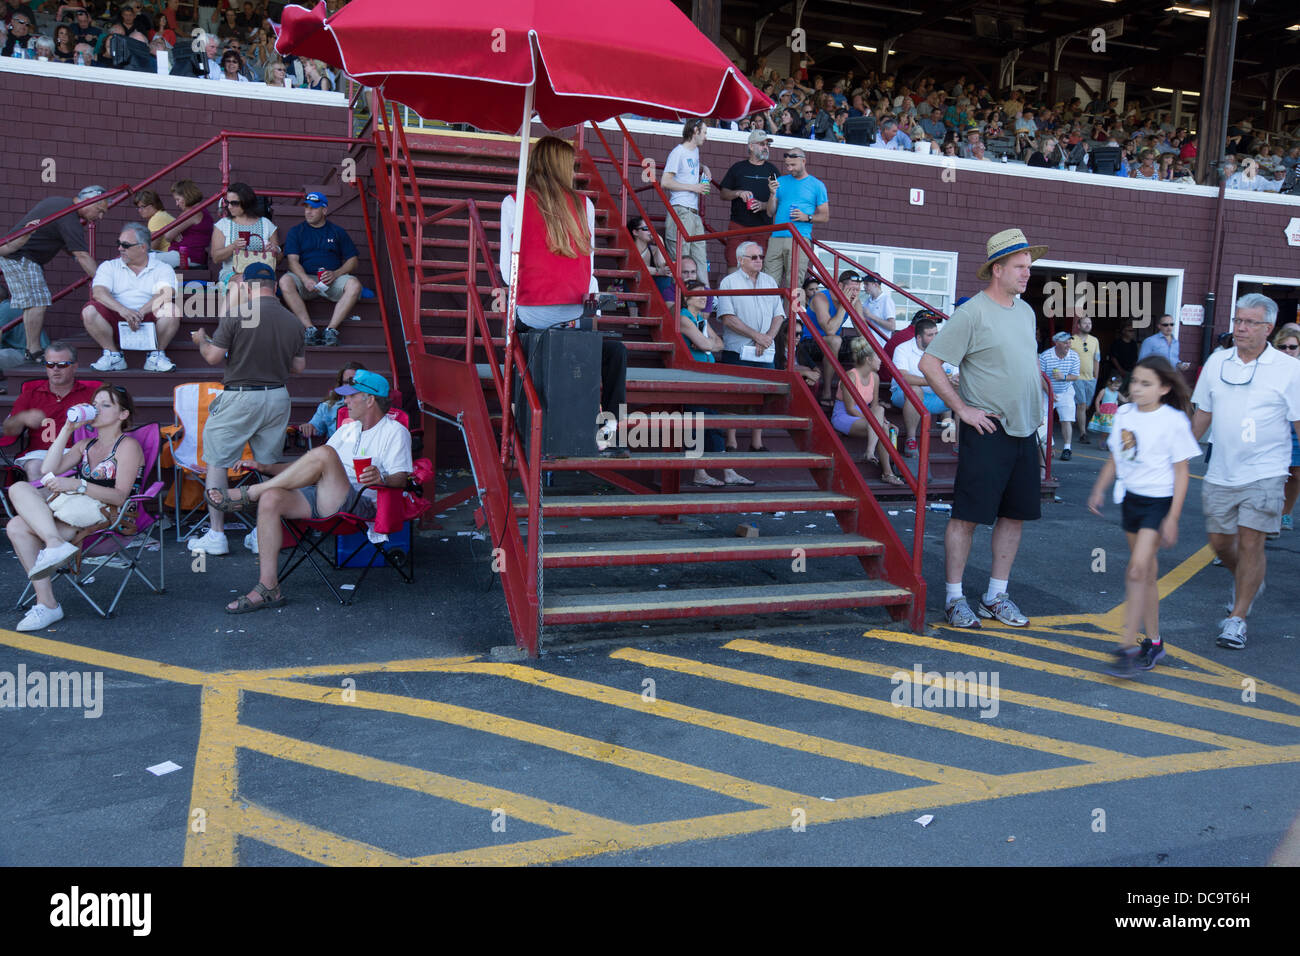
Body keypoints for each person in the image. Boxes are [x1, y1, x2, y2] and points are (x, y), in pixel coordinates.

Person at [921, 228, 1048, 629]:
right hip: (988, 430)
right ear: (997, 269)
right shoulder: (972, 312)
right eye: (1020, 267)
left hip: (1026, 431)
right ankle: (955, 599)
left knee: (1014, 515)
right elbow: (930, 363)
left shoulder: (1025, 312)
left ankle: (996, 595)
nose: (1027, 274)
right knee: (968, 516)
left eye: (1029, 267)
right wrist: (962, 410)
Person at [205, 370, 411, 612]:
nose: (345, 401)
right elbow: (311, 464)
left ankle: (252, 492)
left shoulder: (395, 432)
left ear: (370, 400)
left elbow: (402, 480)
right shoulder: (348, 429)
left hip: (361, 503)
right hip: (325, 493)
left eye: (351, 396)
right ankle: (268, 587)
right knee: (272, 499)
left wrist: (382, 477)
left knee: (325, 453)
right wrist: (266, 467)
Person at [499, 136, 627, 446]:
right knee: (616, 353)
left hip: (531, 315)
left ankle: (517, 419)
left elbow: (507, 271)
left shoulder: (514, 201)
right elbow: (590, 275)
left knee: (515, 352)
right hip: (573, 318)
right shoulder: (585, 205)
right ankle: (609, 427)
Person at [1191, 294, 1300, 649]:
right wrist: (1178, 454)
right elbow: (1203, 412)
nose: (1240, 328)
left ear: (1268, 329)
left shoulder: (1289, 370)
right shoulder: (1217, 362)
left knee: (1252, 540)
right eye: (1238, 320)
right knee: (1221, 542)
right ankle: (1248, 579)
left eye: (1250, 322)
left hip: (1267, 471)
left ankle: (1236, 618)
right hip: (1222, 471)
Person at [185, 263, 307, 556]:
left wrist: (201, 341)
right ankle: (260, 532)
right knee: (266, 464)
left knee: (217, 462)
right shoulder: (293, 321)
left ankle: (217, 535)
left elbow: (213, 357)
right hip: (277, 396)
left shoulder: (238, 314)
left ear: (247, 287)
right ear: (275, 287)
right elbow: (299, 367)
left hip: (241, 395)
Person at [1088, 358, 1200, 677]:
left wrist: (1173, 517)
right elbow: (1116, 456)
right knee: (1147, 573)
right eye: (1134, 381)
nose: (1136, 388)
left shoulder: (1173, 420)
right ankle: (1155, 641)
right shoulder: (1124, 414)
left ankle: (1126, 647)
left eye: (1146, 383)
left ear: (1165, 388)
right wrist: (1099, 489)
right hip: (1132, 500)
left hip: (1158, 502)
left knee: (1136, 570)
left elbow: (1182, 472)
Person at [4, 384, 144, 631]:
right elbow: (47, 469)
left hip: (103, 515)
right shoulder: (85, 445)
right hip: (70, 511)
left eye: (106, 405)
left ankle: (47, 603)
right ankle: (54, 548)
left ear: (123, 415)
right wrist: (67, 428)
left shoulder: (127, 446)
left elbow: (120, 497)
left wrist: (78, 485)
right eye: (95, 404)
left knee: (17, 526)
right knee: (18, 489)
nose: (96, 409)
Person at [0, 185, 109, 363]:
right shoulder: (69, 215)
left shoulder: (62, 207)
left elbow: (70, 247)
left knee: (33, 302)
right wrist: (104, 283)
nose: (100, 216)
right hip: (21, 255)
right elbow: (81, 254)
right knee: (38, 301)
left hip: (17, 254)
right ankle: (34, 350)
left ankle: (31, 349)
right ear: (89, 201)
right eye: (100, 210)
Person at [677, 280, 750, 488]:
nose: (704, 297)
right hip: (692, 378)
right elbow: (705, 344)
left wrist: (705, 343)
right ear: (686, 297)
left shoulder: (700, 318)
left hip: (708, 377)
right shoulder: (684, 317)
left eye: (705, 294)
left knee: (714, 423)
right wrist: (706, 343)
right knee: (697, 424)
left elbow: (719, 343)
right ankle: (699, 473)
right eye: (698, 294)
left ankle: (727, 470)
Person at [80, 222, 180, 373]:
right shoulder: (109, 266)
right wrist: (123, 310)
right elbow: (99, 292)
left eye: (125, 245)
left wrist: (139, 313)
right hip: (116, 317)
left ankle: (156, 356)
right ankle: (113, 355)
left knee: (171, 310)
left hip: (148, 318)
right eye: (119, 243)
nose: (120, 248)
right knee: (89, 311)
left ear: (143, 247)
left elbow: (166, 293)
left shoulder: (162, 268)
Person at [716, 240, 786, 453]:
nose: (759, 260)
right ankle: (731, 441)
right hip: (738, 348)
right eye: (754, 257)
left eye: (761, 257)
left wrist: (767, 338)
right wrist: (758, 336)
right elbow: (727, 318)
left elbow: (779, 314)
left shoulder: (770, 281)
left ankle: (757, 442)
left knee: (763, 396)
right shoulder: (729, 282)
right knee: (733, 397)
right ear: (740, 260)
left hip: (765, 349)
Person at [2, 341, 101, 482]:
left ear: (75, 367)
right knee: (35, 468)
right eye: (50, 364)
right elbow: (8, 431)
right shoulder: (30, 395)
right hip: (40, 454)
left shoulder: (93, 395)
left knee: (77, 469)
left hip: (77, 452)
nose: (55, 369)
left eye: (62, 365)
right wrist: (22, 418)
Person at [278, 192, 363, 346]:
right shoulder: (296, 231)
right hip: (305, 280)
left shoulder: (337, 231)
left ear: (324, 210)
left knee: (354, 284)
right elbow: (292, 261)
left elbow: (353, 260)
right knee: (285, 281)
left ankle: (330, 330)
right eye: (306, 207)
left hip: (332, 279)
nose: (308, 212)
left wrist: (336, 273)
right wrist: (305, 279)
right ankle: (309, 329)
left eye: (313, 208)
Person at [832, 337, 902, 485]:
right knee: (881, 427)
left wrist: (886, 421)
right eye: (878, 357)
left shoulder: (875, 378)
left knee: (881, 414)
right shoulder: (851, 376)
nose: (881, 360)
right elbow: (850, 409)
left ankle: (871, 454)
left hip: (867, 416)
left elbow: (874, 407)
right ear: (869, 359)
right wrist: (877, 421)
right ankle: (886, 471)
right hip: (844, 415)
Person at [762, 147, 829, 290]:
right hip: (776, 237)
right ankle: (770, 313)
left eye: (793, 165)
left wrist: (807, 217)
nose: (789, 168)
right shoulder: (780, 181)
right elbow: (770, 212)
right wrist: (773, 194)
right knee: (768, 283)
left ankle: (789, 313)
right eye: (787, 165)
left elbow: (825, 216)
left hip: (799, 238)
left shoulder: (817, 185)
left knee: (793, 286)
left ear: (803, 161)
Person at [891, 315, 955, 458]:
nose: (935, 338)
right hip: (903, 395)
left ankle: (952, 438)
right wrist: (934, 381)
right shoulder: (903, 349)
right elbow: (903, 378)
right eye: (930, 335)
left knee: (958, 389)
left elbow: (953, 373)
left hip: (934, 395)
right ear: (919, 338)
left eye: (936, 334)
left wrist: (955, 380)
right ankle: (911, 440)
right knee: (915, 390)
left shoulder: (943, 348)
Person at [718, 130, 780, 270]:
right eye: (762, 144)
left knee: (758, 268)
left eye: (767, 144)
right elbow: (723, 193)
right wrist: (738, 193)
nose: (766, 147)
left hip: (763, 227)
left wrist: (764, 205)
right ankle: (732, 292)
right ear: (751, 146)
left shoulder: (772, 170)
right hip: (738, 225)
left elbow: (778, 200)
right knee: (734, 263)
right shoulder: (738, 168)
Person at [661, 118, 711, 283]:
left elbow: (692, 163)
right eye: (704, 132)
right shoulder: (678, 152)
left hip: (693, 213)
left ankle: (705, 302)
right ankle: (680, 302)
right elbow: (665, 182)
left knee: (700, 259)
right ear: (695, 131)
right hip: (680, 209)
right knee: (682, 260)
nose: (706, 137)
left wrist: (705, 168)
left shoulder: (694, 151)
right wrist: (694, 187)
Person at [805, 270, 860, 405]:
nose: (854, 293)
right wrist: (844, 305)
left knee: (865, 343)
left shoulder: (855, 300)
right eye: (851, 289)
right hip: (809, 343)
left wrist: (854, 309)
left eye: (858, 290)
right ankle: (827, 391)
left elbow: (863, 331)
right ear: (840, 286)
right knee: (835, 340)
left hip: (834, 344)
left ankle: (864, 392)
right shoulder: (821, 298)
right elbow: (830, 330)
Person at [211, 181, 280, 289]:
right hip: (233, 273)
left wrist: (275, 250)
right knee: (244, 281)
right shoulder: (223, 225)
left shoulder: (266, 224)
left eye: (234, 203)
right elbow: (215, 258)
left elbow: (278, 259)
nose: (229, 206)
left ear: (246, 202)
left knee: (260, 282)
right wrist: (233, 247)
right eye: (226, 202)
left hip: (261, 273)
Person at [1272, 322, 1300, 532]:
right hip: (1274, 427)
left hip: (1296, 427)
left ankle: (1286, 514)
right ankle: (1270, 514)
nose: (1287, 351)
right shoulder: (1270, 369)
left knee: (1296, 474)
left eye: (1292, 347)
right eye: (1283, 347)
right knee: (1274, 475)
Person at [300, 362, 367, 443]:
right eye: (346, 382)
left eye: (353, 381)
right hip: (335, 451)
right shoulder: (328, 406)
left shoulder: (371, 404)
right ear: (341, 384)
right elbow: (314, 426)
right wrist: (308, 427)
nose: (349, 385)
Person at [1040, 331, 1081, 460]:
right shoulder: (1046, 356)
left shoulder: (1074, 356)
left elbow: (1075, 376)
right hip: (1047, 391)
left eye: (1069, 342)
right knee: (1044, 418)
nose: (1068, 345)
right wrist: (1050, 392)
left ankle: (1067, 448)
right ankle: (1049, 445)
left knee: (1066, 419)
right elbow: (1040, 377)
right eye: (1065, 342)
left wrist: (1063, 377)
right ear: (1056, 343)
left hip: (1066, 390)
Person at [162, 178, 213, 272]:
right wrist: (175, 232)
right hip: (189, 257)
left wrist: (174, 233)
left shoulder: (192, 212)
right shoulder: (202, 211)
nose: (177, 204)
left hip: (185, 257)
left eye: (178, 199)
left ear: (186, 196)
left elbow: (168, 236)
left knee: (146, 258)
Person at [1068, 315, 1100, 442]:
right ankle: (1083, 433)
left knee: (1086, 406)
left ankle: (1076, 424)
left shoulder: (1095, 340)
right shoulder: (1071, 340)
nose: (1088, 325)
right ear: (1078, 326)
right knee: (1081, 405)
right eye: (1085, 323)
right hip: (1076, 377)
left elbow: (1096, 360)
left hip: (1090, 378)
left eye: (1090, 323)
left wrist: (1096, 378)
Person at [132, 189, 179, 266]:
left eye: (142, 207)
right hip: (175, 256)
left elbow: (151, 247)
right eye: (138, 207)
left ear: (152, 205)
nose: (139, 210)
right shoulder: (162, 215)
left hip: (172, 258)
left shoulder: (157, 218)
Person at [1088, 373, 1124, 439]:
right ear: (1109, 383)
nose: (1116, 388)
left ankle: (1109, 442)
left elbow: (1124, 400)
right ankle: (1103, 440)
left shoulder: (1117, 393)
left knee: (1111, 429)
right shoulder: (1104, 391)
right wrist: (1098, 410)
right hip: (1105, 412)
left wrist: (1131, 396)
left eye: (1118, 387)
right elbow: (1097, 400)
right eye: (1115, 386)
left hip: (1113, 414)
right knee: (1105, 430)